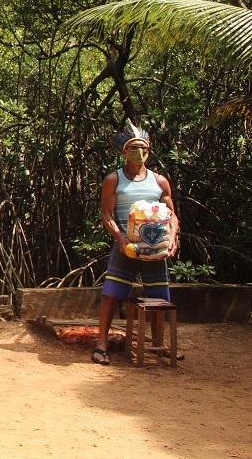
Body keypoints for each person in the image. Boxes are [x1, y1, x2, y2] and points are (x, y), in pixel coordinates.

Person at [92, 120, 180, 365]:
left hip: (155, 246)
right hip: (126, 245)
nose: (139, 153)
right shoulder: (114, 180)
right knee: (111, 293)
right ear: (124, 152)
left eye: (143, 148)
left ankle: (158, 344)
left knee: (159, 296)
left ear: (149, 151)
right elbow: (107, 214)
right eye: (134, 148)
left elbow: (172, 213)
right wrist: (120, 240)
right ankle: (102, 343)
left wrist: (172, 238)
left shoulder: (160, 181)